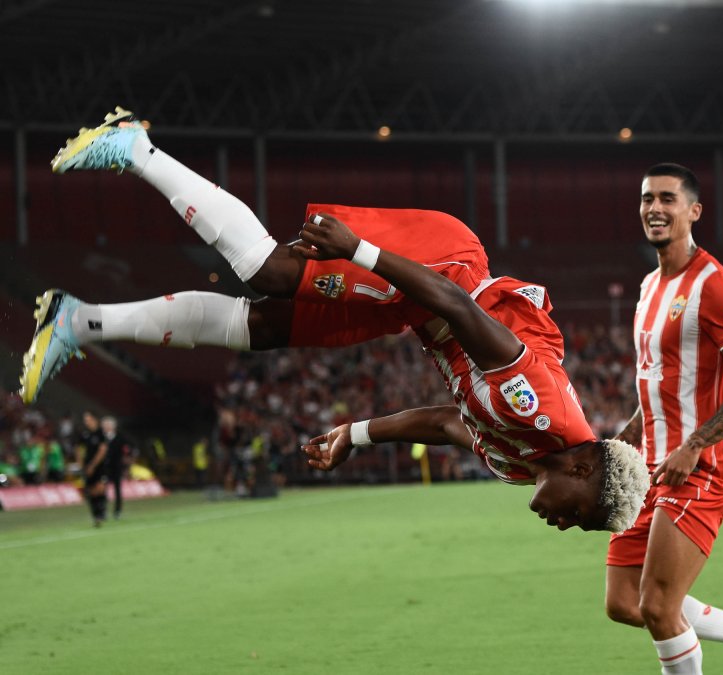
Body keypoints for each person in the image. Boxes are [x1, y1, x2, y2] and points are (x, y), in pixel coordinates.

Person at [25, 106, 648, 533]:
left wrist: (354, 435)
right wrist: (360, 251)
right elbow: (457, 304)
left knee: (263, 329)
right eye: (580, 515)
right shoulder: (540, 407)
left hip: (416, 310)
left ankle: (79, 322)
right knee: (270, 271)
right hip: (442, 267)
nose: (563, 524)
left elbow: (443, 422)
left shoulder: (521, 467)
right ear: (582, 469)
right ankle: (136, 147)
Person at [604, 164, 723, 675]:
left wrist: (694, 444)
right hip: (650, 469)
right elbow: (657, 384)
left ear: (694, 211)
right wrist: (621, 443)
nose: (654, 208)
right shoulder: (648, 286)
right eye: (647, 198)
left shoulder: (715, 286)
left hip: (698, 471)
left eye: (667, 198)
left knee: (658, 607)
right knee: (624, 602)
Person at [77, 411, 108, 527]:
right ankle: (96, 515)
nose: (86, 422)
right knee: (90, 491)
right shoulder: (84, 434)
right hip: (87, 467)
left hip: (99, 466)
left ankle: (101, 513)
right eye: (85, 420)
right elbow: (77, 448)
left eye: (88, 420)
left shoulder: (100, 433)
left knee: (100, 488)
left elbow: (102, 450)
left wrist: (93, 465)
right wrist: (81, 463)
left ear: (95, 420)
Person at [101, 415, 134, 520]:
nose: (105, 427)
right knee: (103, 490)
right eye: (104, 425)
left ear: (112, 426)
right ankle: (103, 511)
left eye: (107, 425)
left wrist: (127, 465)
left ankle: (117, 511)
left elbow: (129, 450)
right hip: (104, 468)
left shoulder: (120, 437)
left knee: (117, 489)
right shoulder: (101, 438)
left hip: (117, 467)